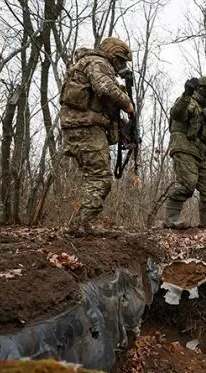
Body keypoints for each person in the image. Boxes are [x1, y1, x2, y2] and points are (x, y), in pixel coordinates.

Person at [60, 37, 135, 236]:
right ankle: (79, 226)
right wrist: (127, 104)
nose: (121, 65)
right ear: (112, 54)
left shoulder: (92, 63)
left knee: (94, 177)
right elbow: (105, 87)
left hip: (85, 127)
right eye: (120, 60)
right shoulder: (97, 62)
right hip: (85, 127)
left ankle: (82, 225)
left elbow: (102, 97)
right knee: (100, 178)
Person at [164, 76, 206, 229]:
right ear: (197, 88)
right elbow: (177, 113)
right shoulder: (187, 101)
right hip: (183, 147)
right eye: (204, 90)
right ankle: (171, 219)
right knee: (187, 184)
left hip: (199, 153)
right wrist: (186, 94)